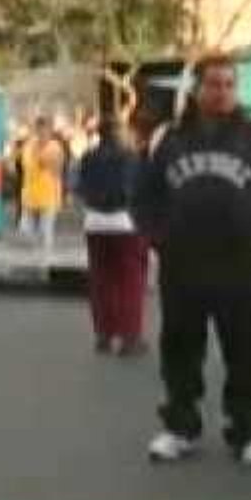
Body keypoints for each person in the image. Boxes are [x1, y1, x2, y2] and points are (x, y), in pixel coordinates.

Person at [137, 54, 251, 468]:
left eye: (230, 84)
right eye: (213, 84)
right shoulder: (165, 139)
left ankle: (248, 432)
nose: (222, 92)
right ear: (195, 88)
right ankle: (180, 427)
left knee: (246, 353)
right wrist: (160, 238)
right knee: (179, 349)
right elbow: (143, 194)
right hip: (183, 266)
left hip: (242, 267)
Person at [77, 118, 149, 357]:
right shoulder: (130, 158)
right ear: (118, 132)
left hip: (94, 221)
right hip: (125, 222)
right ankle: (130, 336)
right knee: (130, 282)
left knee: (101, 280)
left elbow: (79, 187)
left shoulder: (87, 157)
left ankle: (104, 333)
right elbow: (135, 188)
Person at [20, 116, 65, 253]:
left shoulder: (55, 147)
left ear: (50, 131)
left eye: (45, 130)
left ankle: (45, 259)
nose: (42, 133)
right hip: (30, 195)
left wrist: (46, 161)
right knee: (25, 230)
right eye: (39, 130)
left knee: (46, 231)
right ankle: (34, 252)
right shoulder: (29, 146)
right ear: (36, 130)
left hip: (49, 195)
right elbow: (26, 165)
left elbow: (57, 168)